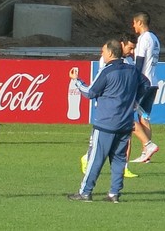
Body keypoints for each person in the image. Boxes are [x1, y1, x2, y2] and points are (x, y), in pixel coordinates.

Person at [68, 39, 149, 203]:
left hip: (106, 122)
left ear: (111, 53)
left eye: (103, 51)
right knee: (119, 159)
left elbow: (91, 92)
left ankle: (85, 192)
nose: (102, 54)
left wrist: (77, 81)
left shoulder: (107, 71)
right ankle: (114, 194)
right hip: (125, 123)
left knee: (96, 158)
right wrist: (135, 101)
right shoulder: (132, 70)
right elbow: (146, 84)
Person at [80, 32, 139, 178]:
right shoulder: (106, 61)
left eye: (133, 49)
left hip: (123, 109)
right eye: (130, 48)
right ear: (122, 45)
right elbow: (99, 87)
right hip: (108, 109)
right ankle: (88, 160)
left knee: (126, 138)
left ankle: (124, 167)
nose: (132, 52)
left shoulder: (130, 62)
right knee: (100, 145)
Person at [130, 11, 160, 163]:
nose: (133, 25)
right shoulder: (155, 38)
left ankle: (147, 146)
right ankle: (146, 154)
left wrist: (134, 81)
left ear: (140, 22)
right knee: (145, 117)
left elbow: (139, 62)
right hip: (153, 82)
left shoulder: (143, 38)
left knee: (128, 114)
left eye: (134, 22)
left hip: (144, 83)